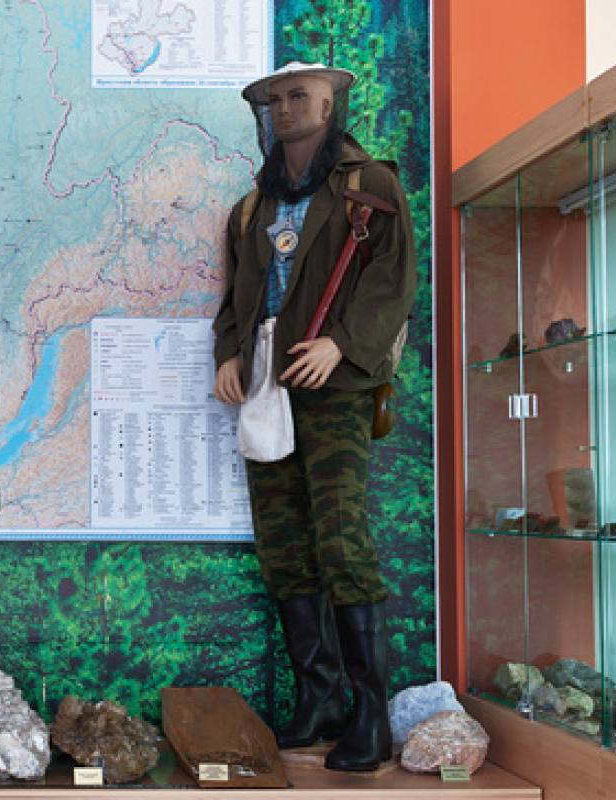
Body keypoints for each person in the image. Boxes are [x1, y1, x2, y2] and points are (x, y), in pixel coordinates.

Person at [210, 62, 416, 771]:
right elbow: (236, 299)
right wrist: (230, 354)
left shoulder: (370, 186)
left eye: (300, 96)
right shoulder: (251, 209)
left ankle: (369, 715)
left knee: (341, 540)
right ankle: (319, 699)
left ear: (331, 104)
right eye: (275, 99)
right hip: (265, 383)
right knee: (283, 544)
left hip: (334, 386)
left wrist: (342, 343)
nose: (285, 108)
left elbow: (392, 281)